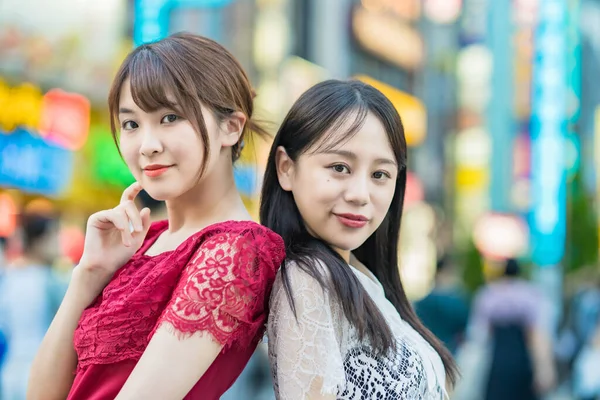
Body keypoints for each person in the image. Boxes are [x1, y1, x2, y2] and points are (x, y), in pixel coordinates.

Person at [28, 32, 285, 400]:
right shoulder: (144, 241)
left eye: (169, 117)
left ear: (231, 126)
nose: (147, 145)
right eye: (131, 124)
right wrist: (89, 274)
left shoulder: (238, 250)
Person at [260, 80, 457, 399]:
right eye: (339, 167)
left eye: (380, 175)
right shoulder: (309, 278)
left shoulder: (363, 278)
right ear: (286, 168)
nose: (360, 195)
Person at [468, 258, 556, 400]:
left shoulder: (488, 295)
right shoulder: (530, 294)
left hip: (498, 361)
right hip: (522, 361)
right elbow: (536, 335)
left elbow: (479, 334)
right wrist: (543, 368)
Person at [0, 213, 65, 400]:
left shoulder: (8, 277)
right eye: (54, 237)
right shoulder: (51, 282)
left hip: (9, 371)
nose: (59, 244)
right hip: (44, 372)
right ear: (39, 241)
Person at [415, 256, 470, 355]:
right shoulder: (456, 302)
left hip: (427, 349)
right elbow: (464, 329)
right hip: (450, 350)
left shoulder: (423, 302)